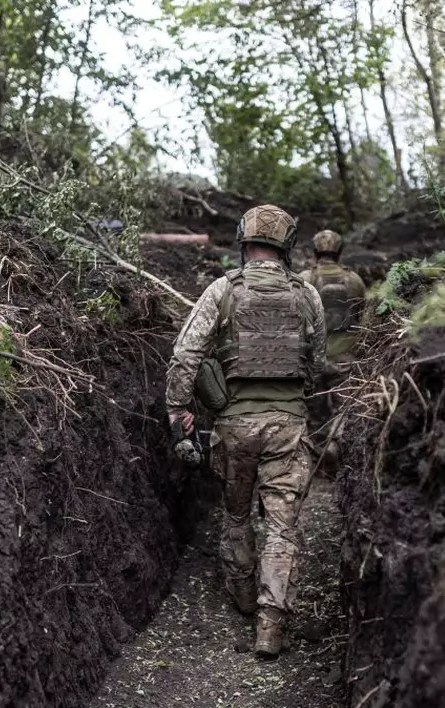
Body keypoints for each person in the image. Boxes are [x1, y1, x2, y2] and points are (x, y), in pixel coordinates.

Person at [165, 204, 328, 659]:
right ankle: (270, 623)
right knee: (282, 526)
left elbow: (185, 356)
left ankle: (240, 594)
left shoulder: (223, 290)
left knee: (236, 516)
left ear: (244, 241)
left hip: (233, 426)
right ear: (287, 245)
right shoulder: (307, 294)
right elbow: (316, 362)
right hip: (289, 426)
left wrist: (180, 411)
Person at [299, 230, 367, 469]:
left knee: (314, 411)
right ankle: (338, 453)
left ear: (315, 252)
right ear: (340, 252)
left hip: (314, 358)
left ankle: (317, 456)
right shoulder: (355, 280)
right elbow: (361, 317)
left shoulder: (304, 279)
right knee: (344, 409)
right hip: (345, 357)